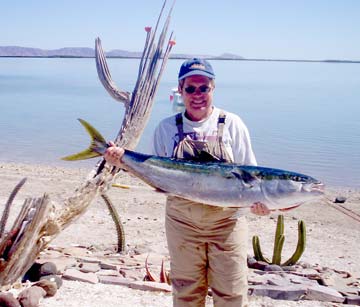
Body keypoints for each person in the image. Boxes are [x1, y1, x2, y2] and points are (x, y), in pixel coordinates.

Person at [104, 58, 270, 307]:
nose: (197, 95)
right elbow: (155, 174)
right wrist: (123, 160)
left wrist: (261, 203)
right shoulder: (166, 128)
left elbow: (252, 177)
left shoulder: (232, 124)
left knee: (232, 294)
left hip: (227, 225)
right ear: (180, 90)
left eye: (203, 88)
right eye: (190, 88)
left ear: (213, 88)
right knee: (186, 294)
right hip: (182, 224)